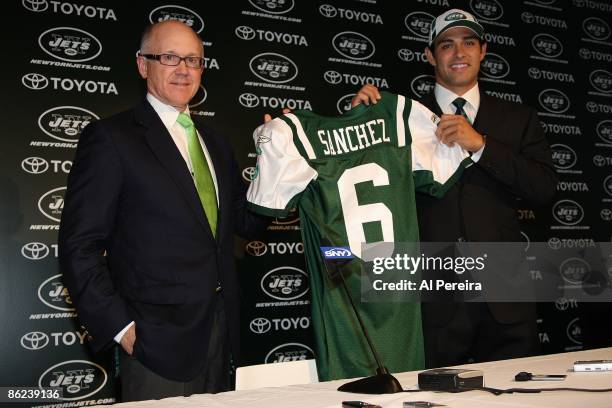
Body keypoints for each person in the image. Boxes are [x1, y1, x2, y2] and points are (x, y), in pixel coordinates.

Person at [58, 20, 264, 401]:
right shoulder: (111, 138)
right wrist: (121, 328)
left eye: (194, 60)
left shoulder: (216, 143)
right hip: (156, 343)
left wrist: (276, 169)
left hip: (224, 335)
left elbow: (245, 223)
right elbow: (79, 244)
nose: (184, 69)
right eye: (169, 57)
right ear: (142, 65)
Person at [352, 9, 557, 368]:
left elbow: (544, 188)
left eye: (469, 42)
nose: (459, 52)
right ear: (430, 56)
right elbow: (362, 188)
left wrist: (481, 145)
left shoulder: (518, 118)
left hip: (506, 295)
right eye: (446, 44)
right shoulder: (400, 118)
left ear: (483, 51)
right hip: (432, 298)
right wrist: (359, 125)